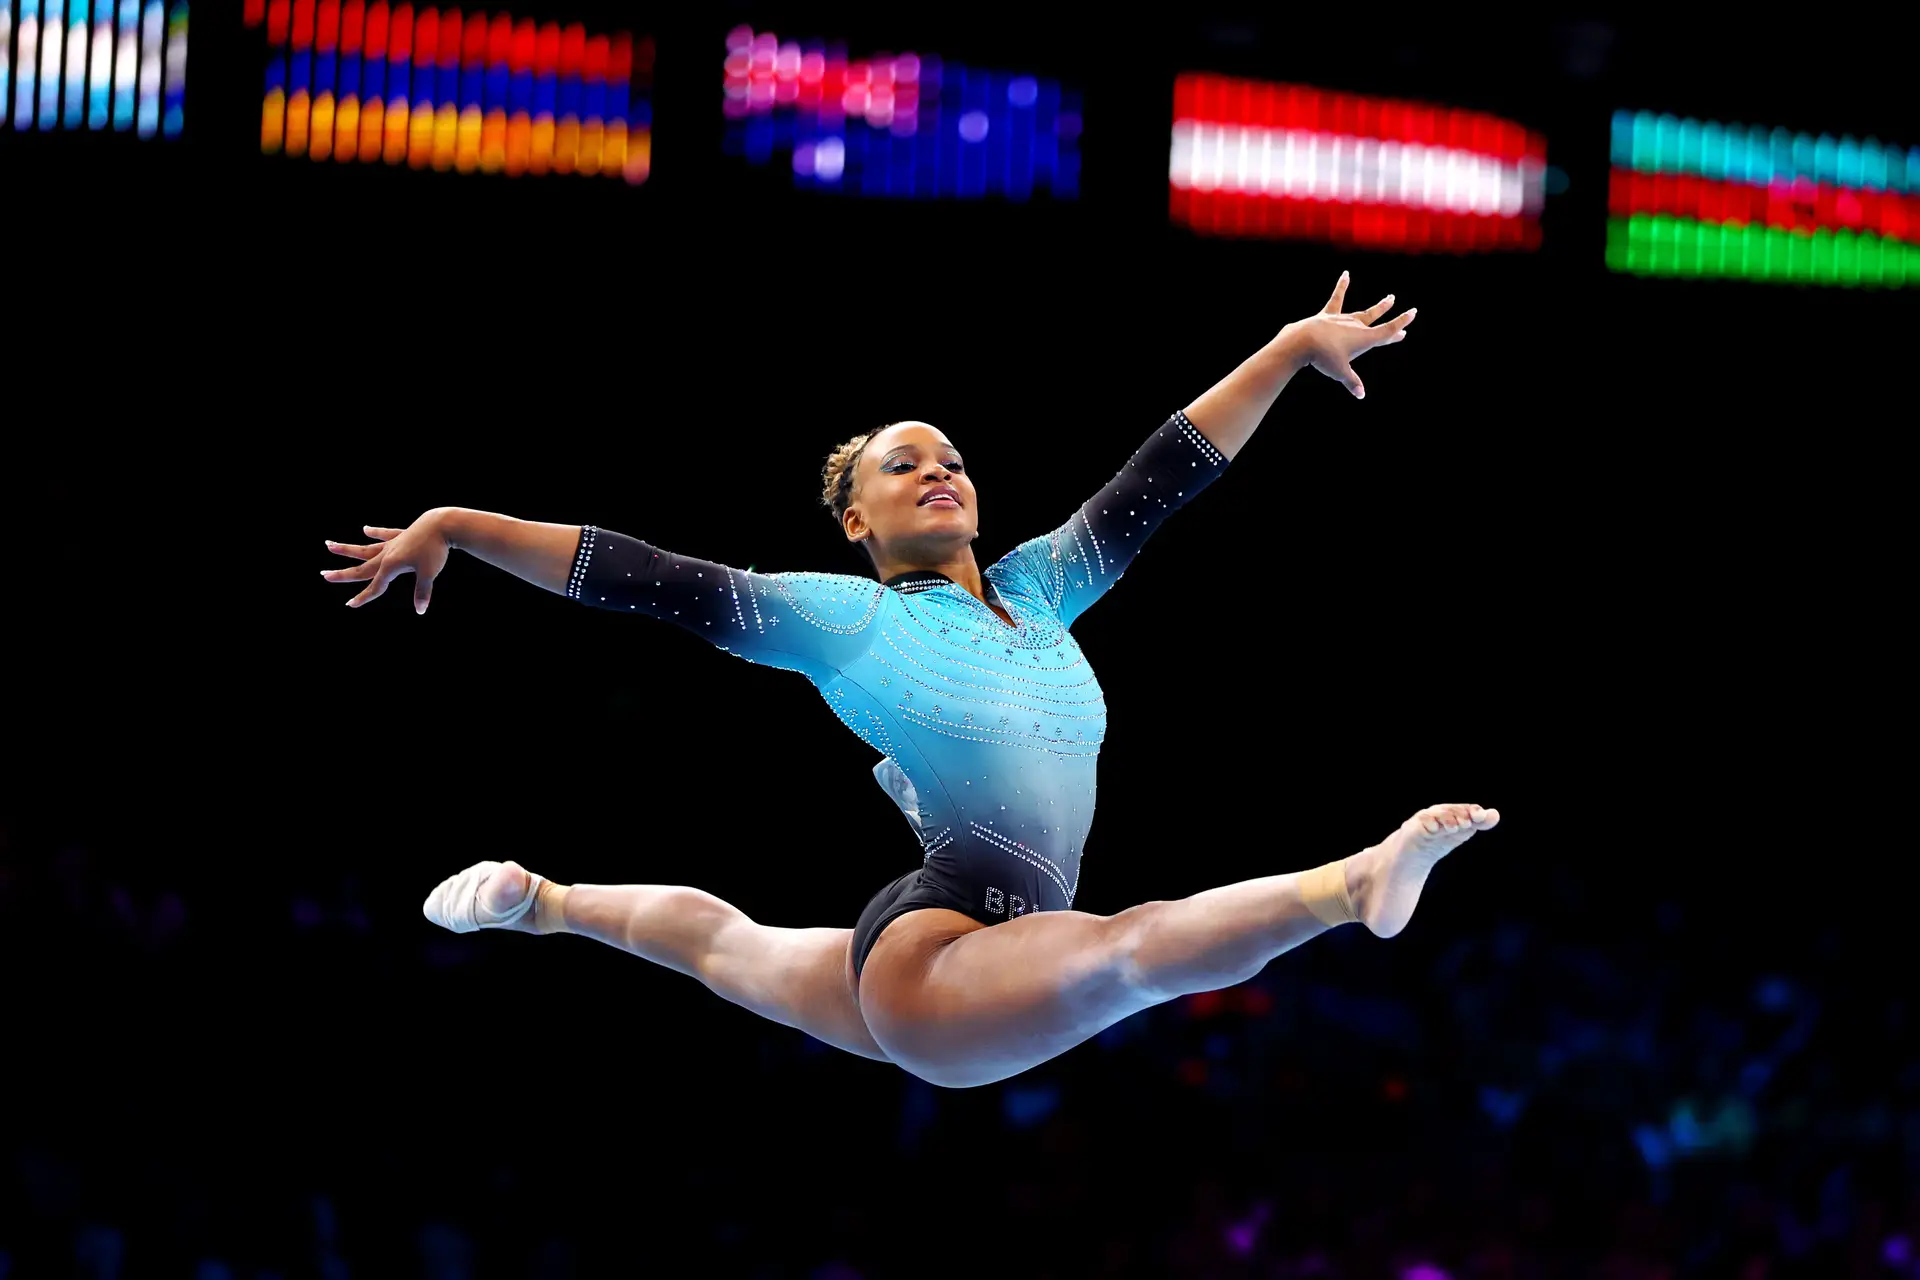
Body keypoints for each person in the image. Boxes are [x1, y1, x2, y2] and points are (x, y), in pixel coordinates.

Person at [323, 273, 1497, 1088]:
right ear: (855, 518)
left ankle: (546, 900)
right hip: (944, 956)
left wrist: (1292, 349)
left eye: (952, 458)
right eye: (904, 462)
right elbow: (647, 576)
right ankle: (1356, 883)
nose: (938, 469)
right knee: (1131, 949)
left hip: (953, 955)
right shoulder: (845, 618)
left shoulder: (1041, 588)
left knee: (728, 947)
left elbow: (1165, 473)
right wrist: (459, 525)